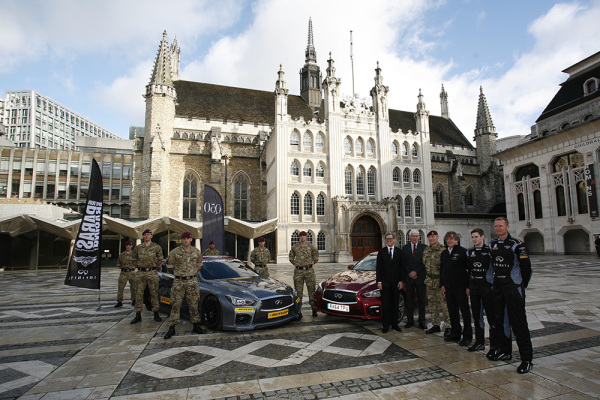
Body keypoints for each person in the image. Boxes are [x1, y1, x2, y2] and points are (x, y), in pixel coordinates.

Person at [489, 216, 534, 374]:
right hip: (499, 288)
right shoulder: (492, 245)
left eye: (501, 226)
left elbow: (526, 269)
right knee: (501, 321)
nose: (499, 228)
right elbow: (491, 267)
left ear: (507, 226)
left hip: (513, 288)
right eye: (496, 226)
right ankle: (506, 351)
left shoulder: (517, 245)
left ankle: (526, 359)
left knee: (519, 323)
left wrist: (519, 285)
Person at [164, 232, 205, 339]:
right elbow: (170, 267)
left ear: (191, 239)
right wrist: (180, 273)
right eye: (184, 238)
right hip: (179, 281)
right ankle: (172, 327)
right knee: (175, 304)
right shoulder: (174, 252)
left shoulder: (196, 252)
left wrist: (190, 272)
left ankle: (196, 325)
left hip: (192, 281)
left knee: (193, 303)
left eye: (188, 238)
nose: (186, 240)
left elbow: (199, 265)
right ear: (181, 240)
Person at [466, 229, 502, 353]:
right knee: (476, 316)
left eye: (476, 237)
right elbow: (468, 271)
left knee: (492, 317)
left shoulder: (490, 252)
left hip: (487, 288)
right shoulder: (470, 252)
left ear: (483, 237)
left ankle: (494, 345)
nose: (474, 239)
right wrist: (468, 286)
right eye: (473, 237)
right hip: (475, 287)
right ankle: (479, 342)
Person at [440, 231, 472, 346]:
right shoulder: (444, 253)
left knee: (464, 311)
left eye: (452, 239)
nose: (449, 241)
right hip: (448, 287)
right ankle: (455, 332)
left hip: (460, 287)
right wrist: (442, 284)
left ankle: (467, 336)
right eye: (447, 239)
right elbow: (442, 270)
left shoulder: (463, 252)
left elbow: (469, 270)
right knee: (452, 311)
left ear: (457, 240)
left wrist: (468, 286)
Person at [130, 229, 164, 324]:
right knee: (139, 294)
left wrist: (153, 268)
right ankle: (138, 315)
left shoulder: (156, 247)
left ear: (151, 236)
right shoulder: (138, 247)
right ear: (143, 236)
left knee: (154, 293)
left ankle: (156, 313)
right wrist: (140, 267)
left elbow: (160, 260)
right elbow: (133, 260)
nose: (146, 236)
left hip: (152, 273)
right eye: (145, 235)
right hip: (141, 273)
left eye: (148, 234)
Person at [422, 231, 452, 336]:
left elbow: (446, 268)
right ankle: (436, 325)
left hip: (440, 281)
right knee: (432, 305)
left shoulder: (443, 250)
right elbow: (424, 265)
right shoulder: (426, 250)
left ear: (438, 238)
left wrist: (445, 283)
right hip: (430, 281)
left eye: (433, 237)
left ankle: (449, 326)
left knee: (444, 305)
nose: (431, 239)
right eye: (430, 237)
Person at [375, 233, 405, 333]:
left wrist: (401, 280)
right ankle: (386, 325)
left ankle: (395, 324)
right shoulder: (381, 252)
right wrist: (379, 281)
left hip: (396, 284)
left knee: (395, 304)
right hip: (385, 284)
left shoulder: (399, 252)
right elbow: (378, 268)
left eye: (390, 238)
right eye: (387, 239)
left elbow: (402, 268)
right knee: (386, 305)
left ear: (394, 240)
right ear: (385, 240)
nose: (389, 240)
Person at [401, 230, 427, 329]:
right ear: (409, 237)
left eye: (417, 236)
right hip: (409, 279)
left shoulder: (424, 248)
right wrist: (409, 272)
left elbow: (424, 263)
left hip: (420, 278)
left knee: (421, 300)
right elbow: (404, 263)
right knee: (409, 301)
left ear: (419, 237)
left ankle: (422, 321)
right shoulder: (405, 248)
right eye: (413, 236)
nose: (415, 238)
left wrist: (416, 272)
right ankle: (410, 321)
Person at [289, 231, 319, 317]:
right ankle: (298, 309)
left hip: (309, 271)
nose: (302, 237)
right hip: (298, 272)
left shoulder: (311, 247)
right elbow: (291, 257)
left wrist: (310, 264)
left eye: (304, 236)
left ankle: (314, 308)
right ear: (299, 237)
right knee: (298, 292)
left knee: (311, 291)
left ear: (306, 237)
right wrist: (296, 264)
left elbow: (316, 258)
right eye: (301, 236)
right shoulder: (295, 247)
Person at [115, 240, 137, 308]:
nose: (128, 247)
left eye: (129, 245)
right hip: (124, 272)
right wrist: (119, 266)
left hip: (132, 272)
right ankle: (119, 301)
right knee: (121, 287)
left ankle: (134, 300)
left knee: (134, 287)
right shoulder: (122, 254)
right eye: (127, 245)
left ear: (131, 246)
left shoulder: (134, 255)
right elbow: (118, 262)